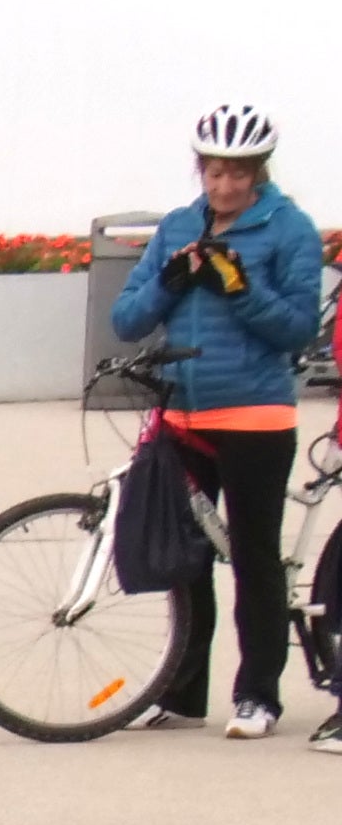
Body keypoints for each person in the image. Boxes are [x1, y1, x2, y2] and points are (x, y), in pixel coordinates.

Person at [104, 100, 323, 741]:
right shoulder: (176, 227)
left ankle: (258, 695)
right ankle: (182, 694)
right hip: (182, 414)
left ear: (260, 173)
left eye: (239, 173)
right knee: (184, 557)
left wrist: (240, 288)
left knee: (253, 556)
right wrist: (171, 280)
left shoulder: (289, 230)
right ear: (199, 170)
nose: (225, 186)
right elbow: (127, 320)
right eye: (214, 172)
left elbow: (297, 328)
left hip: (255, 411)